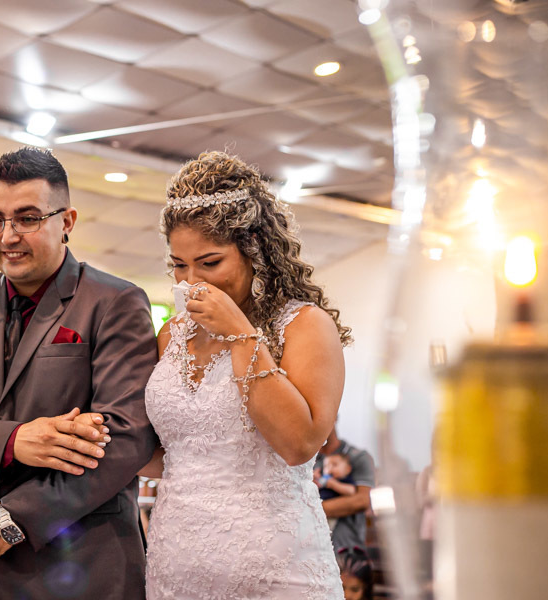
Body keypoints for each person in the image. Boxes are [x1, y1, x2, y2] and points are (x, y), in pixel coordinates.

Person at [0, 147, 158, 599]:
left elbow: (125, 436)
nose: (7, 236)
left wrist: (15, 514)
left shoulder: (114, 303)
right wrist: (16, 441)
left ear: (68, 222)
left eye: (27, 218)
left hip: (79, 563)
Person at [141, 151, 352, 598]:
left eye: (210, 262)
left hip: (278, 572)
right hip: (175, 564)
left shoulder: (304, 325)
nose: (191, 282)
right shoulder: (171, 335)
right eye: (179, 265)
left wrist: (240, 333)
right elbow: (173, 454)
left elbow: (298, 444)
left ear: (255, 249)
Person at [315, 427, 376, 552]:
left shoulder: (357, 457)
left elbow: (361, 501)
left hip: (347, 545)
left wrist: (309, 510)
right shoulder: (305, 459)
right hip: (313, 543)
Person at [318, 453, 358, 530]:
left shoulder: (344, 480)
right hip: (319, 507)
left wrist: (335, 485)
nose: (329, 469)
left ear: (347, 469)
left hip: (332, 513)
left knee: (326, 529)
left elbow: (351, 491)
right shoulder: (323, 479)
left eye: (334, 465)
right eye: (326, 466)